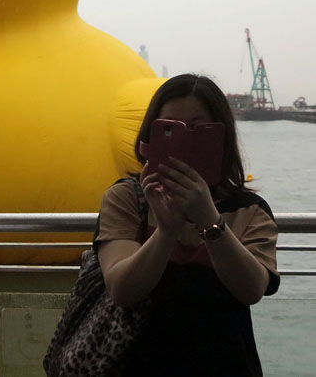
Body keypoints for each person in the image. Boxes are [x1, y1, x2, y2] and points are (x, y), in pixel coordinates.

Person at [96, 74, 279, 376]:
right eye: (170, 128)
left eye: (197, 128)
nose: (186, 140)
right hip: (136, 365)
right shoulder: (127, 198)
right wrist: (166, 232)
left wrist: (208, 217)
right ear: (150, 136)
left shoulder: (249, 210)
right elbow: (122, 290)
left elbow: (252, 289)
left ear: (221, 136)